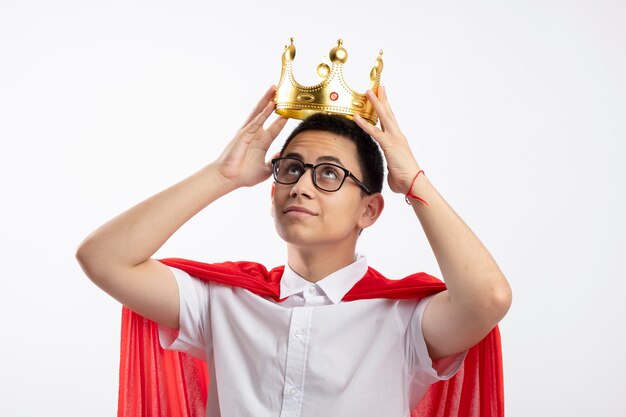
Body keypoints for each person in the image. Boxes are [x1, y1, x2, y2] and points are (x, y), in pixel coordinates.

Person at [76, 85, 512, 417]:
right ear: (272, 193)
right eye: (291, 169)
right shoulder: (222, 301)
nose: (301, 186)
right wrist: (223, 174)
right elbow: (103, 258)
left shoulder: (404, 321)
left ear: (369, 210)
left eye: (328, 174)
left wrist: (413, 180)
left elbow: (488, 298)